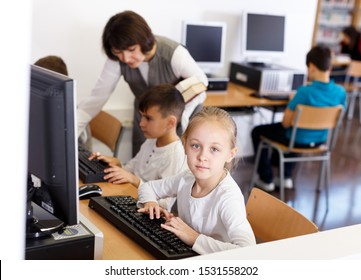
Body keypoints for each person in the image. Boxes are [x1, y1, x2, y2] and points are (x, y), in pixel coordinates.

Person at [77, 10, 208, 156]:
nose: (125, 58)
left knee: (175, 164)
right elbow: (97, 98)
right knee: (140, 165)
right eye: (118, 52)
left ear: (144, 40)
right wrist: (71, 131)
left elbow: (202, 82)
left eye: (131, 50)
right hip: (144, 116)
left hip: (177, 119)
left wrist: (175, 104)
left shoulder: (174, 54)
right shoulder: (117, 58)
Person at [136, 106, 256, 255]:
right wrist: (151, 203)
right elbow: (148, 188)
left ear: (230, 154)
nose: (202, 156)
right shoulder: (186, 178)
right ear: (185, 145)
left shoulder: (228, 197)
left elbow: (248, 252)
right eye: (196, 146)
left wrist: (194, 238)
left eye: (214, 149)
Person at [251, 45, 347, 192]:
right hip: (320, 141)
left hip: (295, 140)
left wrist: (293, 100)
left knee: (259, 131)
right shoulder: (341, 92)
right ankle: (286, 177)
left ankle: (266, 179)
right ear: (330, 67)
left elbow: (285, 123)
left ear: (312, 67)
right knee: (299, 131)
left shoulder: (304, 92)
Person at [90, 84, 187, 210]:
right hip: (131, 197)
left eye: (148, 118)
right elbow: (132, 169)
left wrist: (134, 180)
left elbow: (165, 204)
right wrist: (117, 164)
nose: (141, 123)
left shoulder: (174, 155)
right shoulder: (151, 141)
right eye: (141, 116)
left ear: (170, 122)